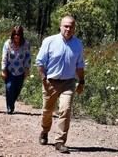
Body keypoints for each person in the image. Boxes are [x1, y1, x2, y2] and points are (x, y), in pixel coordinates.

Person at [35, 15, 85, 153]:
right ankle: (45, 131)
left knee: (65, 109)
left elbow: (80, 65)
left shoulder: (78, 44)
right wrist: (43, 79)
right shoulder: (50, 41)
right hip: (50, 81)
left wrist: (81, 81)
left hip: (68, 82)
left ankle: (60, 141)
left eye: (71, 26)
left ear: (75, 28)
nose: (68, 29)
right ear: (60, 26)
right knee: (47, 111)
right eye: (66, 26)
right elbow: (40, 62)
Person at [1, 25, 31, 114]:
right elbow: (4, 57)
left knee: (17, 89)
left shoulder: (26, 44)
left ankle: (11, 102)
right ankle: (10, 107)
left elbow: (28, 57)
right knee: (9, 87)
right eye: (15, 34)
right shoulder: (8, 43)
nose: (16, 36)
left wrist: (27, 69)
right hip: (10, 70)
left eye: (18, 34)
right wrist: (3, 69)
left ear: (21, 35)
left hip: (21, 70)